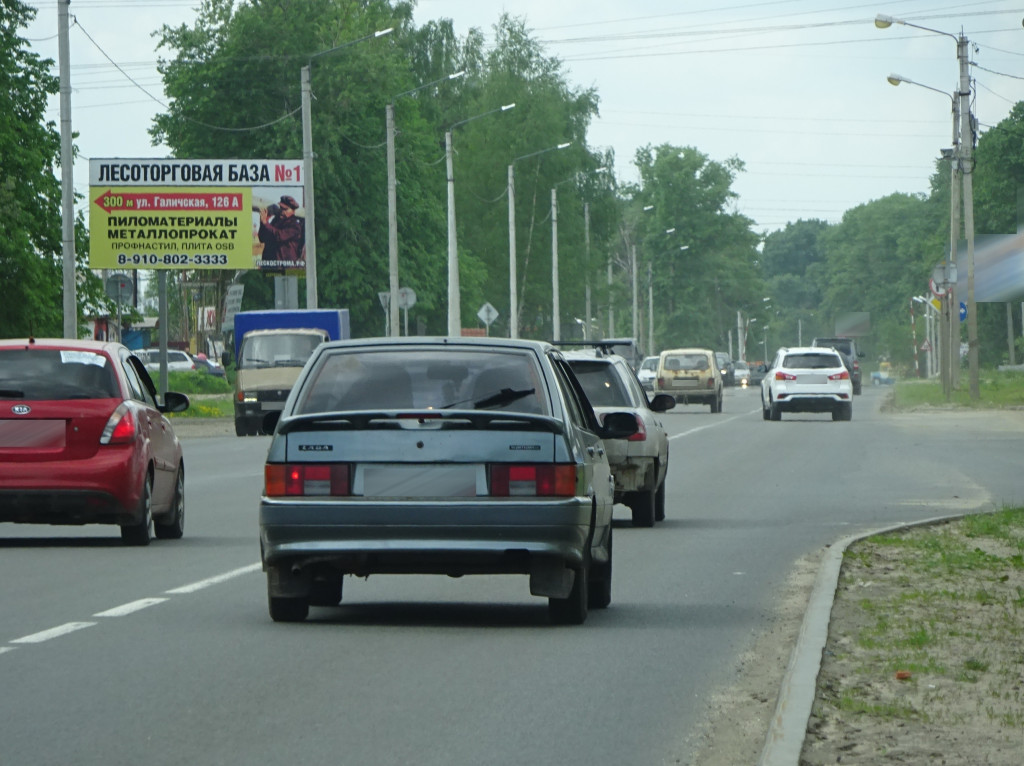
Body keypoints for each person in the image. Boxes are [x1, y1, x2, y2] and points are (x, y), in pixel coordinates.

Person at [258, 195, 304, 266]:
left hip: (285, 266)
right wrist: (263, 223)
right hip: (270, 264)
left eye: (285, 209)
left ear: (293, 211)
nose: (282, 211)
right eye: (281, 208)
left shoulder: (295, 225)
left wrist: (265, 223)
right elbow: (262, 238)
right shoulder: (276, 220)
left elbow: (280, 236)